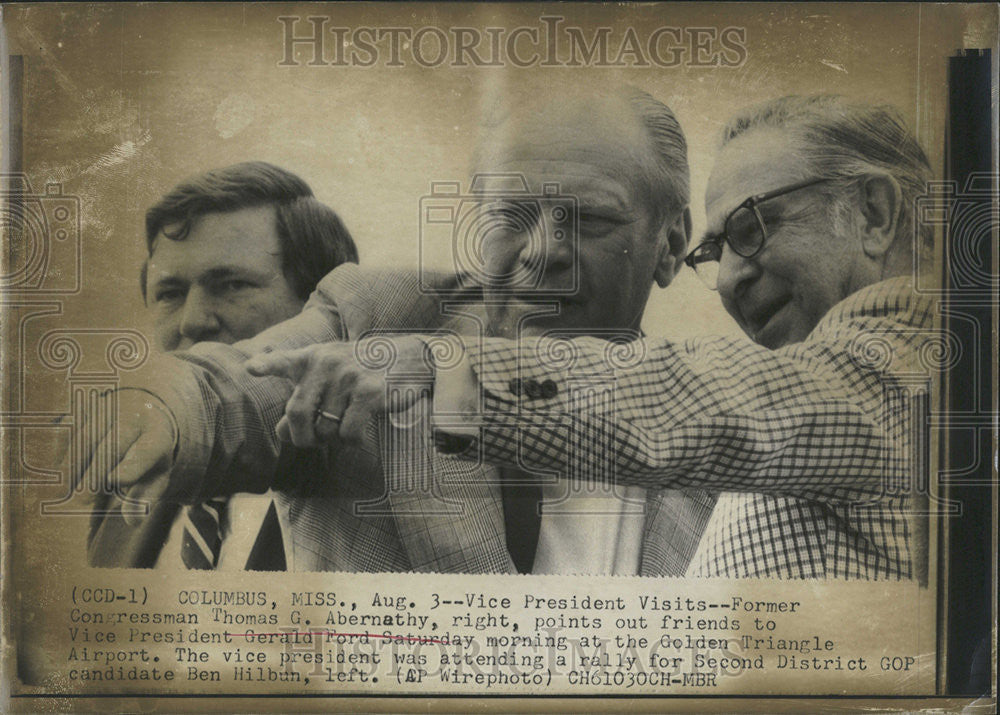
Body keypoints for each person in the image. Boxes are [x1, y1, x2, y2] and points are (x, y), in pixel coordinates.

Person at [249, 95, 937, 580]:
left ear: (873, 213)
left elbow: (695, 395)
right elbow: (231, 395)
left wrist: (441, 371)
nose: (730, 278)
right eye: (718, 248)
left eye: (753, 227)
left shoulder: (910, 369)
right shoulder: (806, 420)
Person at [73, 85, 711, 575]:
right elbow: (247, 390)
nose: (543, 252)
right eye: (508, 216)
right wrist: (173, 405)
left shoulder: (727, 411)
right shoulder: (377, 315)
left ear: (672, 243)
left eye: (593, 220)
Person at [87, 161, 358, 569]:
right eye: (170, 293)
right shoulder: (129, 473)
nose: (193, 320)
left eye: (232, 285)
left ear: (319, 306)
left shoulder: (374, 479)